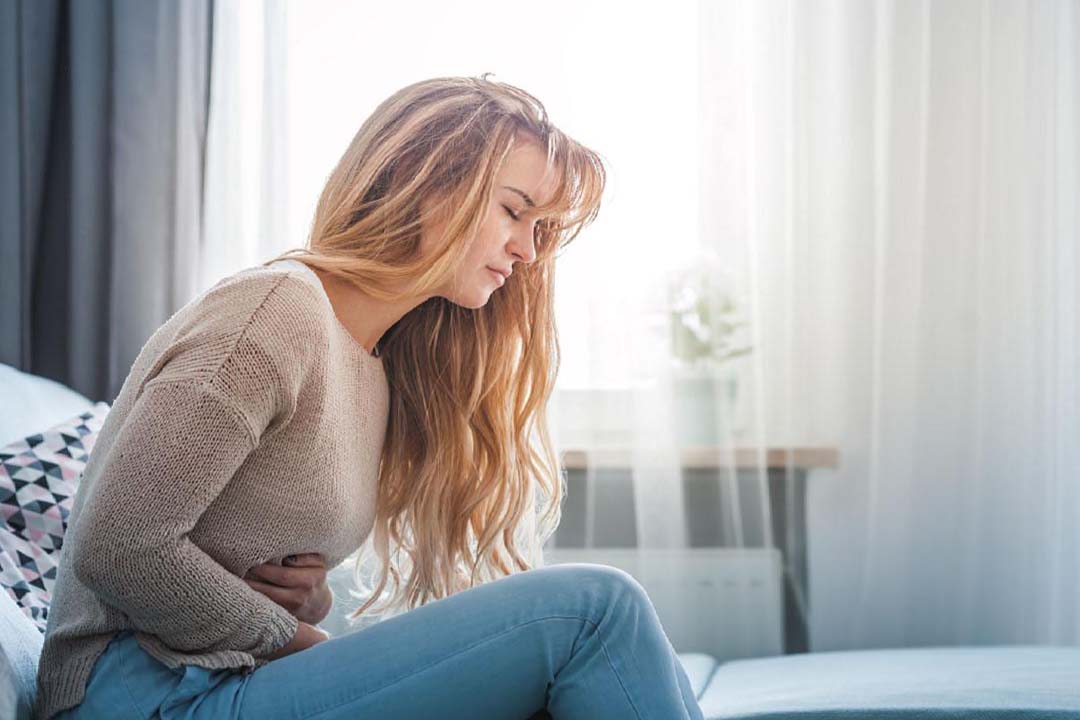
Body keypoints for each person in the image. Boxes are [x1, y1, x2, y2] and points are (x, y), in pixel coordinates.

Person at [37, 73, 706, 720]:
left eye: (540, 229)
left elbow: (243, 550)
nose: (528, 252)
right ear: (426, 179)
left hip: (221, 678)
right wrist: (295, 637)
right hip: (143, 694)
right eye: (513, 212)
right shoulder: (275, 309)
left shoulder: (375, 364)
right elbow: (121, 548)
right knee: (595, 610)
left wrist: (310, 596)